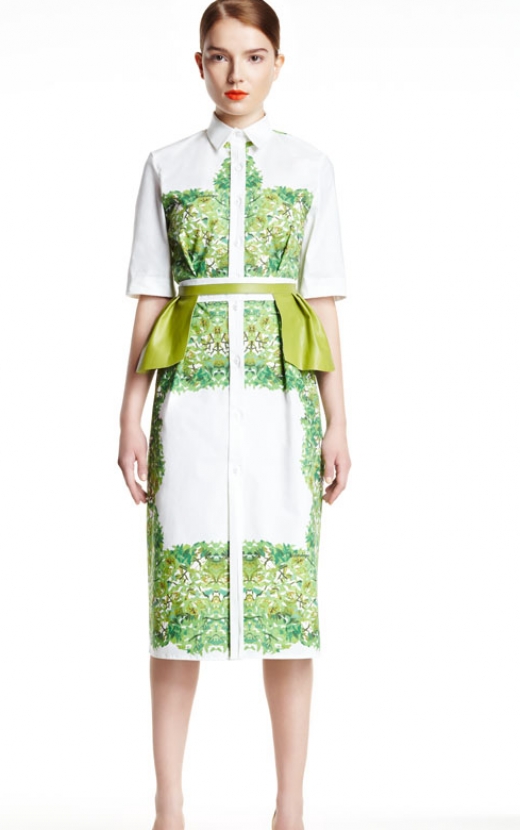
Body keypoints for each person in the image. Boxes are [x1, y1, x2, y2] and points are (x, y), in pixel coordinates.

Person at [118, 1, 351, 828]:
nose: (237, 74)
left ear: (278, 64)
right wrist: (129, 416)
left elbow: (323, 300)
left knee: (291, 617)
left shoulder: (311, 167)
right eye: (220, 57)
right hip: (189, 407)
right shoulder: (167, 166)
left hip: (284, 405)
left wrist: (339, 420)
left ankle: (290, 809)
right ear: (199, 64)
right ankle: (168, 808)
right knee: (174, 612)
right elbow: (152, 295)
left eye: (254, 56)